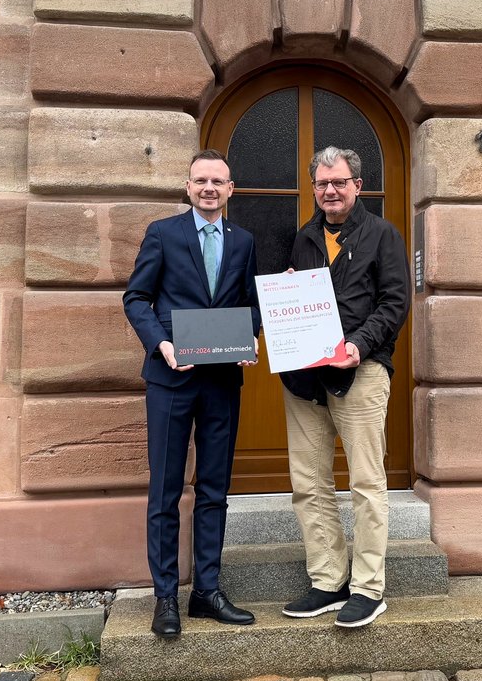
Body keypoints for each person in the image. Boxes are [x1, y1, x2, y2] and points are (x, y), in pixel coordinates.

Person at [123, 149, 261, 638]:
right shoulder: (163, 234)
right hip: (171, 379)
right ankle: (166, 597)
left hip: (222, 382)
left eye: (217, 181)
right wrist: (161, 343)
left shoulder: (243, 241)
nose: (209, 188)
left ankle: (207, 590)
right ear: (188, 188)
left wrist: (251, 339)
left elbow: (248, 304)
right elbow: (136, 298)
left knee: (214, 489)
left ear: (230, 190)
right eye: (200, 180)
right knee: (164, 490)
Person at [279, 146, 411, 628]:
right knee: (309, 483)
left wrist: (359, 344)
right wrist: (291, 291)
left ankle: (369, 589)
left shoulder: (383, 235)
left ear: (358, 184)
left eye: (338, 182)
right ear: (313, 188)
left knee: (367, 483)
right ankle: (328, 581)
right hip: (304, 378)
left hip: (362, 370)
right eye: (321, 184)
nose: (329, 191)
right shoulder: (305, 237)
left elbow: (396, 302)